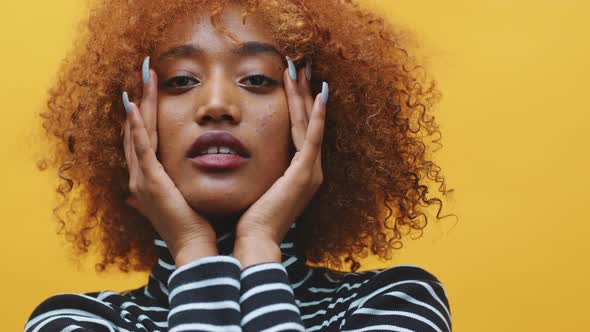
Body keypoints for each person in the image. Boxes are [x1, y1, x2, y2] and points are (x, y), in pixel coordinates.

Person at [25, 0, 454, 331]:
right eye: (179, 80)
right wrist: (193, 250)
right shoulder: (73, 320)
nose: (216, 105)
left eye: (257, 79)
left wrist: (260, 247)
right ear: (125, 122)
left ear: (317, 115)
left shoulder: (395, 301)